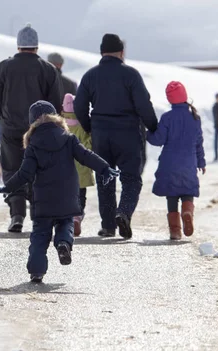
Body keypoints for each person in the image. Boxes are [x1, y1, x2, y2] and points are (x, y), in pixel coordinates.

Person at [0, 101, 117, 283]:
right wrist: (105, 168)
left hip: (43, 200)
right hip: (67, 197)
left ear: (32, 121)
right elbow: (86, 156)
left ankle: (36, 271)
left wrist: (8, 187)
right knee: (66, 223)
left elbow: (25, 174)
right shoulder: (68, 138)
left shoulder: (33, 145)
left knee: (40, 235)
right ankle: (64, 243)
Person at [74, 33, 158, 239]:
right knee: (131, 179)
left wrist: (89, 127)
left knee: (105, 177)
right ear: (122, 52)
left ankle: (109, 225)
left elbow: (79, 105)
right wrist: (153, 126)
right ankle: (124, 212)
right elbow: (143, 104)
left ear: (102, 52)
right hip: (128, 133)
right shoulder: (131, 75)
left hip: (101, 134)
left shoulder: (90, 75)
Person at [0, 23, 62, 233]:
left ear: (18, 45)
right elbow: (55, 103)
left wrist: (4, 118)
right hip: (38, 131)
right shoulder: (48, 69)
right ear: (37, 46)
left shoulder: (4, 67)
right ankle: (38, 216)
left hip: (11, 130)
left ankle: (17, 214)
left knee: (13, 171)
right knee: (39, 172)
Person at [147, 82, 206, 240]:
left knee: (171, 196)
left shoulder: (167, 117)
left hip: (169, 164)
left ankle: (175, 230)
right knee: (188, 192)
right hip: (189, 163)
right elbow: (198, 142)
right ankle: (187, 211)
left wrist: (147, 133)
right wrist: (201, 162)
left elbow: (158, 140)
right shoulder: (195, 117)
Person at [60, 93, 93, 236]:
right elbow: (88, 145)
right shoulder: (82, 125)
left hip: (65, 170)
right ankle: (77, 216)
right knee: (81, 195)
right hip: (82, 168)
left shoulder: (60, 126)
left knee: (66, 195)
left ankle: (67, 218)